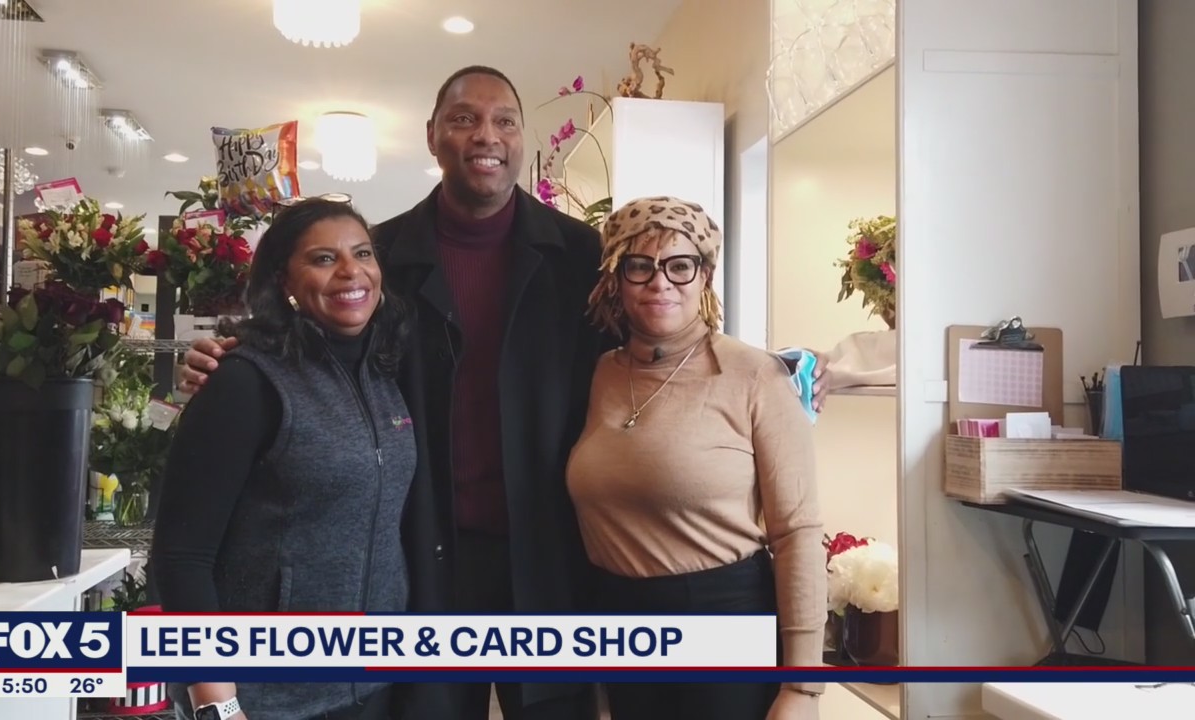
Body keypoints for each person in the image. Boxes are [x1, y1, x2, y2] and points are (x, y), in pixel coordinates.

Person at [178, 66, 832, 720]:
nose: (485, 135)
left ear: (522, 138)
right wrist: (241, 360)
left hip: (554, 562)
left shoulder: (579, 254)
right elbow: (327, 348)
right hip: (421, 562)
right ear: (433, 136)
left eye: (504, 120)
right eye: (463, 119)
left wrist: (779, 371)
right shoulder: (381, 257)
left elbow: (663, 326)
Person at [152, 197, 416, 720]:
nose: (350, 272)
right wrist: (216, 701)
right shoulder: (244, 380)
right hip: (266, 697)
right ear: (284, 282)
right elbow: (182, 555)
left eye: (362, 253)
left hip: (371, 685)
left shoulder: (385, 374)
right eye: (322, 259)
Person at [567, 196, 826, 720]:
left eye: (679, 265)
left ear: (704, 276)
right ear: (617, 278)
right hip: (619, 623)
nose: (660, 282)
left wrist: (802, 685)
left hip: (721, 618)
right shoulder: (597, 374)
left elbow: (798, 531)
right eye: (640, 266)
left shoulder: (756, 375)